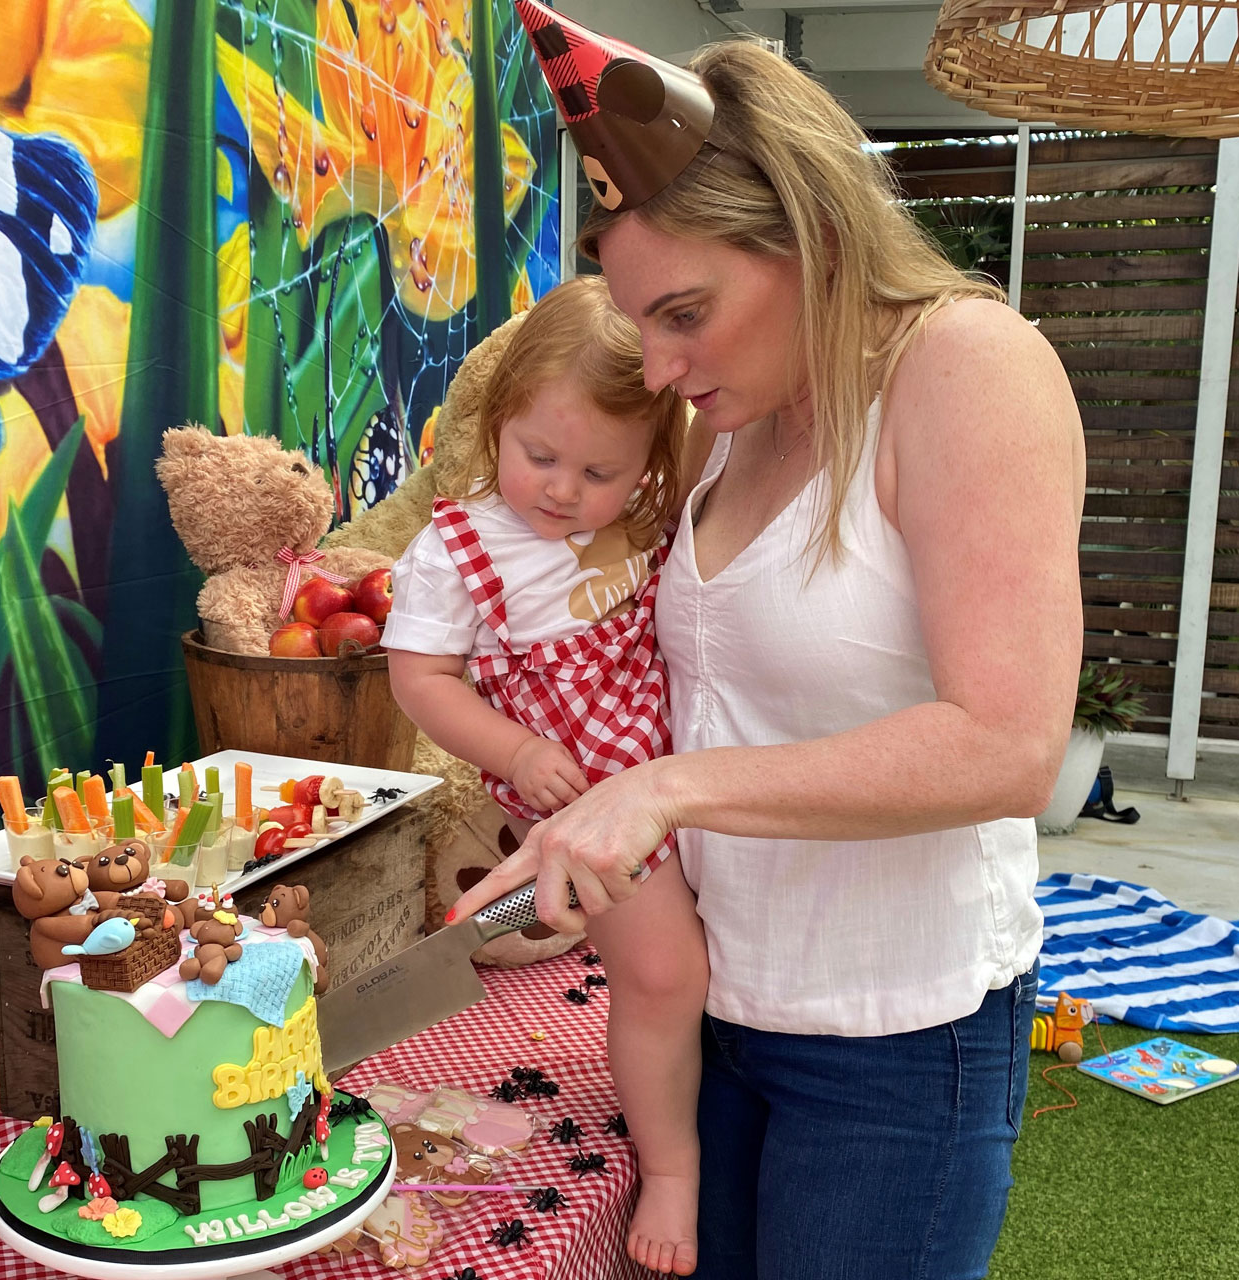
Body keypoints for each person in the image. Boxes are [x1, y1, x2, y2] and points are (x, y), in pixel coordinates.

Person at [456, 12, 1085, 1280]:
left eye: (687, 312)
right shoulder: (730, 415)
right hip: (720, 1007)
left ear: (810, 229)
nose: (666, 366)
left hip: (895, 1035)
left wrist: (664, 790)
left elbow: (1010, 744)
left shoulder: (967, 366)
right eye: (646, 328)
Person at [383, 274, 710, 1275]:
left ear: (651, 461)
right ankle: (671, 1166)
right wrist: (514, 751)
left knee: (699, 967)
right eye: (540, 454)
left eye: (601, 470)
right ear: (498, 421)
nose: (564, 488)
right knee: (663, 974)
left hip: (681, 771)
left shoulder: (648, 515)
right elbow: (419, 680)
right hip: (591, 797)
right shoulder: (460, 548)